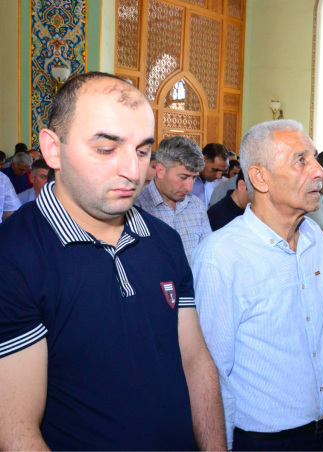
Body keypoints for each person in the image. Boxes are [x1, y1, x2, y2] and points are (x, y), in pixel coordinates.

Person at [0, 72, 226, 450]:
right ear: (52, 149)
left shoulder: (164, 241)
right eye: (106, 149)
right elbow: (18, 431)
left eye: (141, 151)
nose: (133, 171)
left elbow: (196, 361)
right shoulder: (14, 256)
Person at [193, 119, 323, 451]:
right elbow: (212, 373)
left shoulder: (314, 238)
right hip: (264, 441)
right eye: (301, 160)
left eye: (314, 158)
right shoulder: (222, 256)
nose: (318, 171)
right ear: (260, 177)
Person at [134, 135, 212, 265]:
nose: (189, 187)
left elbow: (207, 256)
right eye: (183, 177)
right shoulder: (136, 207)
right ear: (160, 171)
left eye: (194, 178)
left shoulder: (196, 206)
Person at [192, 142, 229, 207]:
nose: (219, 176)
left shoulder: (223, 184)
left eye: (223, 171)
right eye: (215, 170)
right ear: (204, 159)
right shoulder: (186, 181)